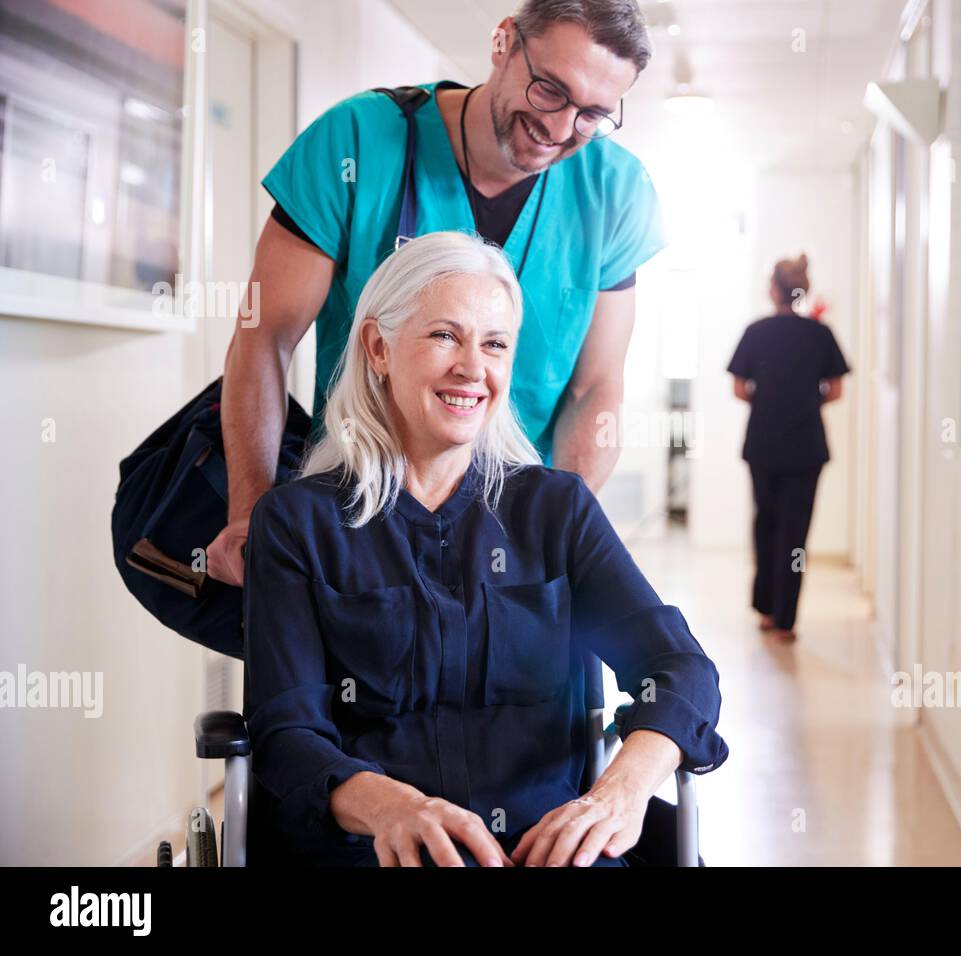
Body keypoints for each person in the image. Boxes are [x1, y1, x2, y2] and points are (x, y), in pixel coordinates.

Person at [242, 231, 728, 866]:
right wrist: (394, 807)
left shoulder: (555, 511)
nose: (473, 368)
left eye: (495, 344)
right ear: (378, 347)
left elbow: (681, 669)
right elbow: (286, 733)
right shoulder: (297, 523)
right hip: (374, 850)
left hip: (544, 848)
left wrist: (619, 793)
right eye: (445, 335)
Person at [209, 0, 668, 587]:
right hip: (359, 517)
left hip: (516, 535)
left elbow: (596, 386)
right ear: (503, 42)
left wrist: (557, 527)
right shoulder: (358, 142)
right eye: (550, 89)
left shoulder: (615, 190)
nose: (559, 129)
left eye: (592, 115)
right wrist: (252, 512)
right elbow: (264, 337)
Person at [726, 254, 851, 642]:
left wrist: (768, 402)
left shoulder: (756, 331)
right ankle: (785, 620)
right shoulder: (820, 333)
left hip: (764, 442)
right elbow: (835, 389)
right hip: (806, 446)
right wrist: (804, 401)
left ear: (774, 289)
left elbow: (738, 387)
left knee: (765, 523)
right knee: (795, 533)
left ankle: (764, 608)